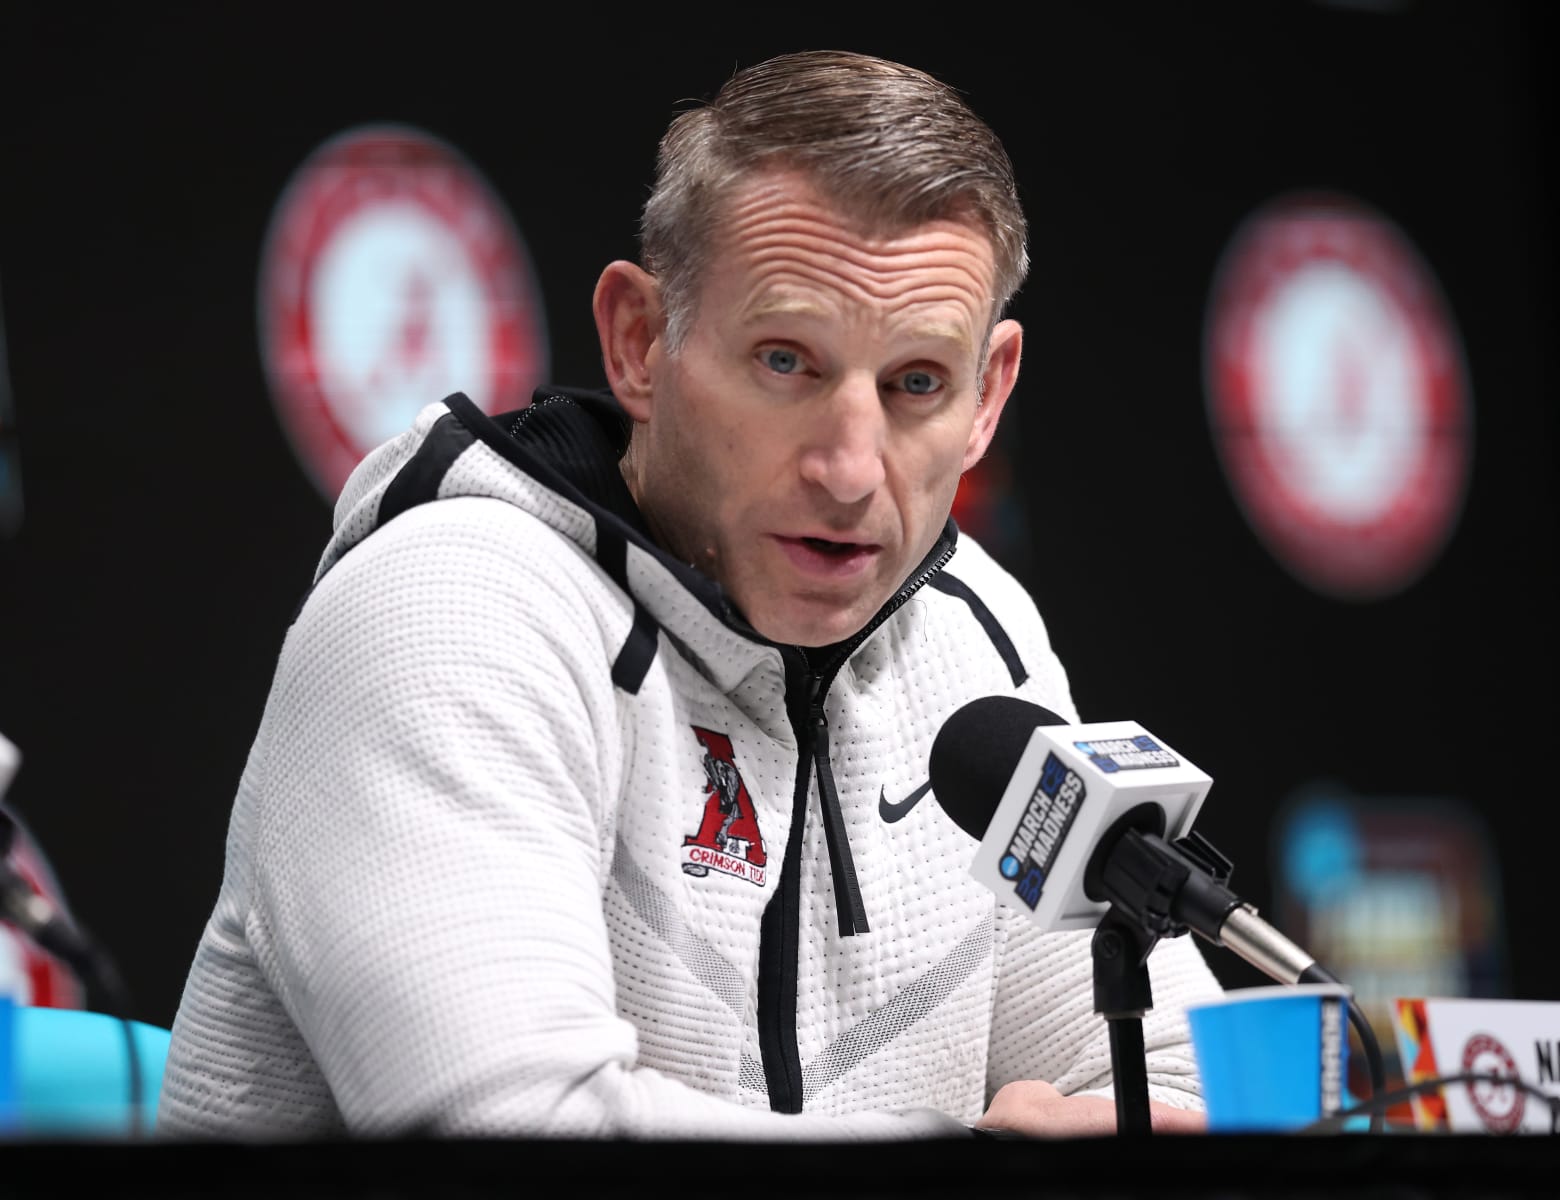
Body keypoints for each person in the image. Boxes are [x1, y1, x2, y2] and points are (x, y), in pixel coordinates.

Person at [159, 50, 1220, 1140]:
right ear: (639, 342)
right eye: (786, 362)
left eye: (916, 383)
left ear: (987, 395)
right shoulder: (446, 612)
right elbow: (511, 1126)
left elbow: (1173, 1076)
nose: (851, 471)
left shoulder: (974, 635)